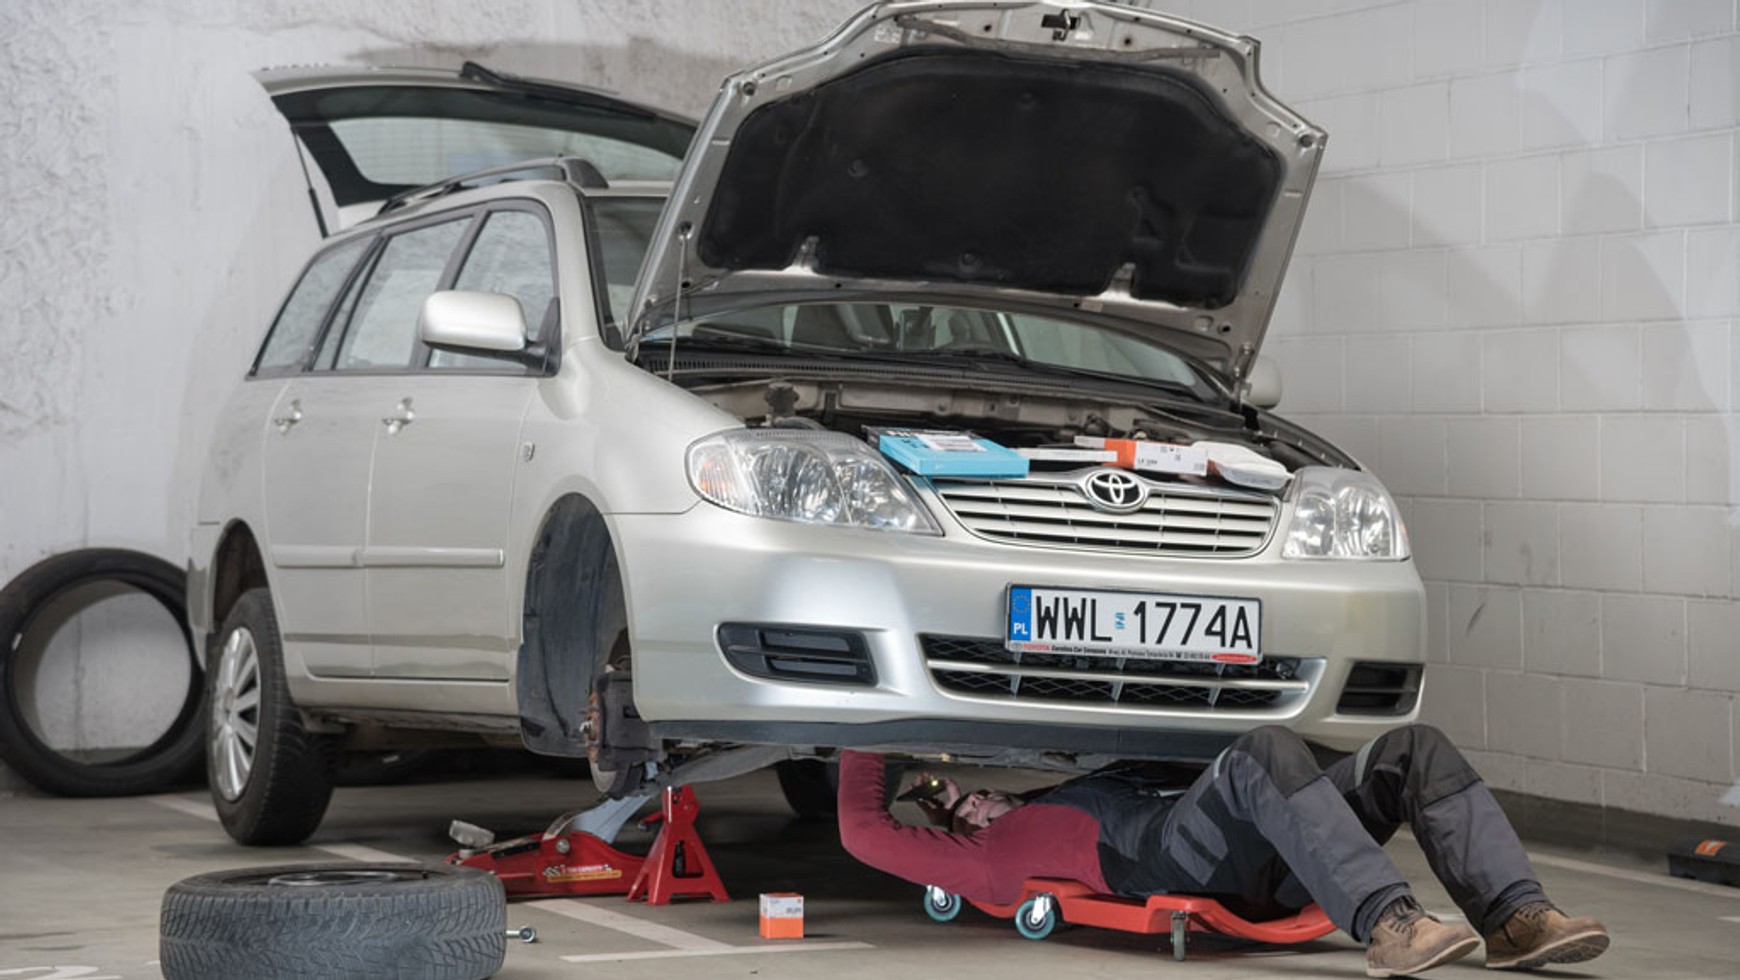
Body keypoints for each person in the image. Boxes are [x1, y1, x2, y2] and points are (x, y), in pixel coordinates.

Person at [837, 724, 1609, 977]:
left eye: (976, 794)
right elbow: (865, 831)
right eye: (963, 813)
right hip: (1174, 857)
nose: (975, 804)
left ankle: (1516, 916)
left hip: (1263, 835)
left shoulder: (1068, 787)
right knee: (1260, 754)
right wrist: (864, 724)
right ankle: (1389, 923)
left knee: (1414, 749)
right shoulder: (991, 858)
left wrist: (943, 789)